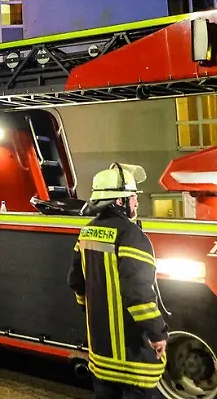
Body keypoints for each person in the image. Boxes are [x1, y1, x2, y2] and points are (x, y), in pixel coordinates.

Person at [68, 163, 167, 398]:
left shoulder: (86, 232)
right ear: (120, 201)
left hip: (101, 356)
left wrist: (90, 309)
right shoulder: (132, 236)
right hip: (133, 360)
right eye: (133, 197)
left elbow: (76, 281)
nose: (136, 203)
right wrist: (157, 333)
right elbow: (138, 293)